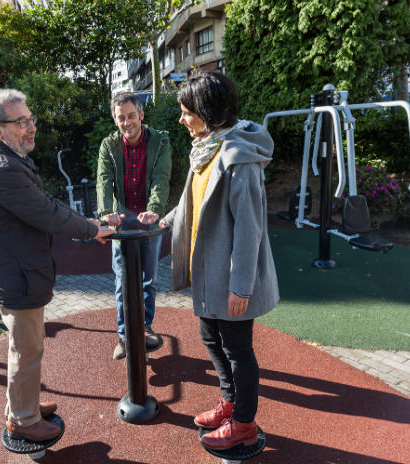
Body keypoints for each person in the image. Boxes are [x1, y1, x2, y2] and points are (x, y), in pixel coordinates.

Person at [0, 89, 114, 442]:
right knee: (27, 349)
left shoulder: (8, 157)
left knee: (25, 346)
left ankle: (24, 404)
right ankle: (22, 419)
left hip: (16, 269)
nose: (31, 127)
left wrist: (86, 222)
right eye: (21, 122)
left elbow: (45, 202)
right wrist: (92, 229)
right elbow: (46, 213)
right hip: (16, 275)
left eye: (31, 119)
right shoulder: (2, 169)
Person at [160, 72, 279, 451]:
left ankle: (243, 423)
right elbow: (191, 200)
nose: (181, 119)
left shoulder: (236, 157)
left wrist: (240, 286)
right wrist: (162, 220)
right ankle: (229, 404)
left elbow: (249, 228)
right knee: (210, 337)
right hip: (207, 270)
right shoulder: (206, 149)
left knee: (238, 348)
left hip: (229, 275)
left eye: (185, 112)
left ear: (206, 112)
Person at [96, 92, 172, 360]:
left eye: (131, 116)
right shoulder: (110, 145)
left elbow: (161, 177)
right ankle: (124, 335)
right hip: (122, 215)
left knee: (148, 277)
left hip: (148, 216)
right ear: (115, 120)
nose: (126, 122)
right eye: (120, 118)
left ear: (141, 115)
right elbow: (104, 181)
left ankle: (146, 327)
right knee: (122, 279)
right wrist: (107, 212)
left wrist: (155, 208)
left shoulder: (160, 140)